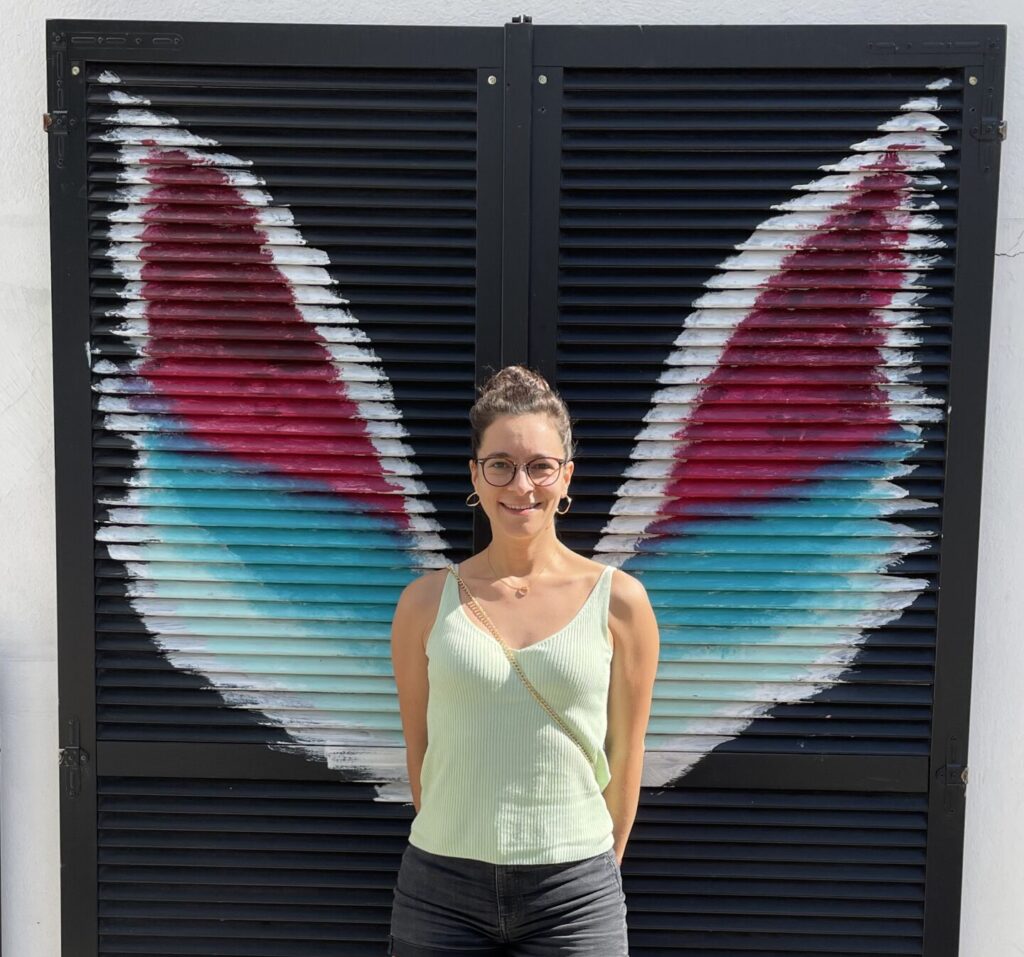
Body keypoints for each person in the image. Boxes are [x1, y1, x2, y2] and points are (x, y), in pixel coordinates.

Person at [388, 364, 660, 956]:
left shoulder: (619, 601)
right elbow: (421, 750)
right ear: (475, 476)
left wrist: (596, 867)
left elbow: (626, 751)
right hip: (441, 888)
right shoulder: (424, 604)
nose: (521, 486)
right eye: (501, 465)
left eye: (540, 466)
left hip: (574, 894)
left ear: (566, 477)